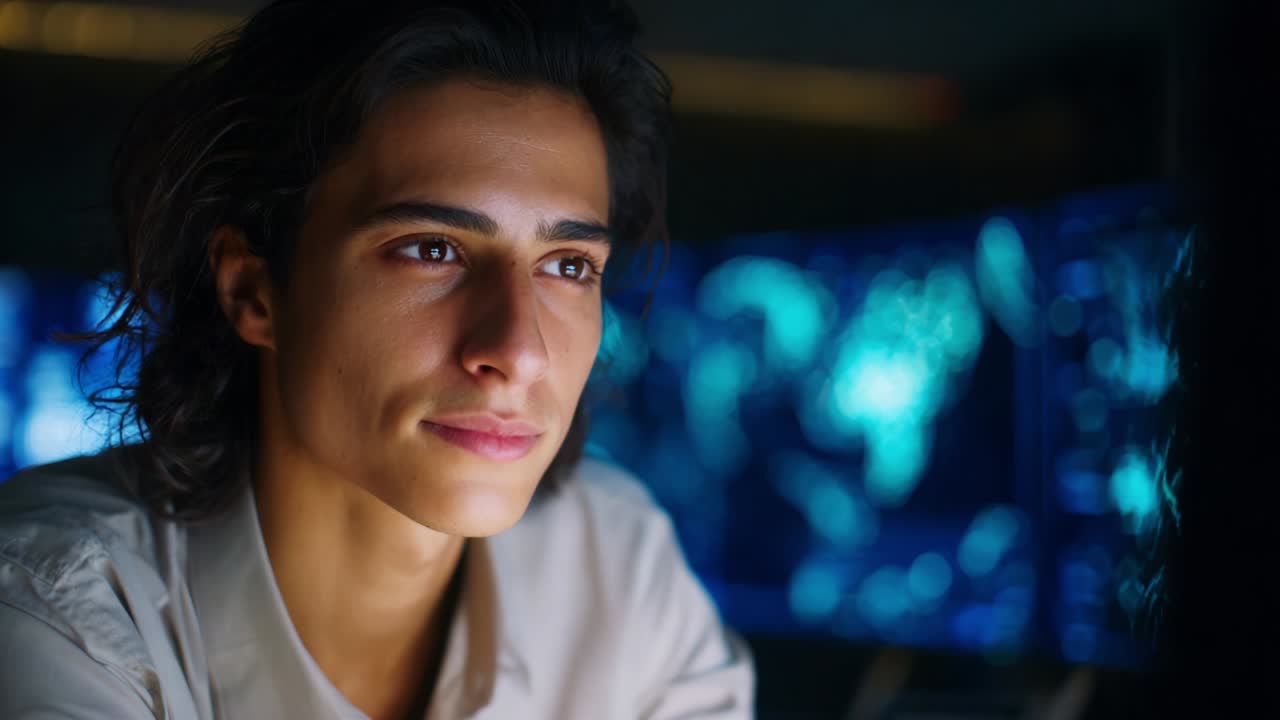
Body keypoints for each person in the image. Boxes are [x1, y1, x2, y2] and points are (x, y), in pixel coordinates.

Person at [0, 1, 754, 717]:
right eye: (431, 250)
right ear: (253, 289)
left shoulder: (619, 567)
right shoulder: (58, 614)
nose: (517, 353)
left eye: (567, 266)